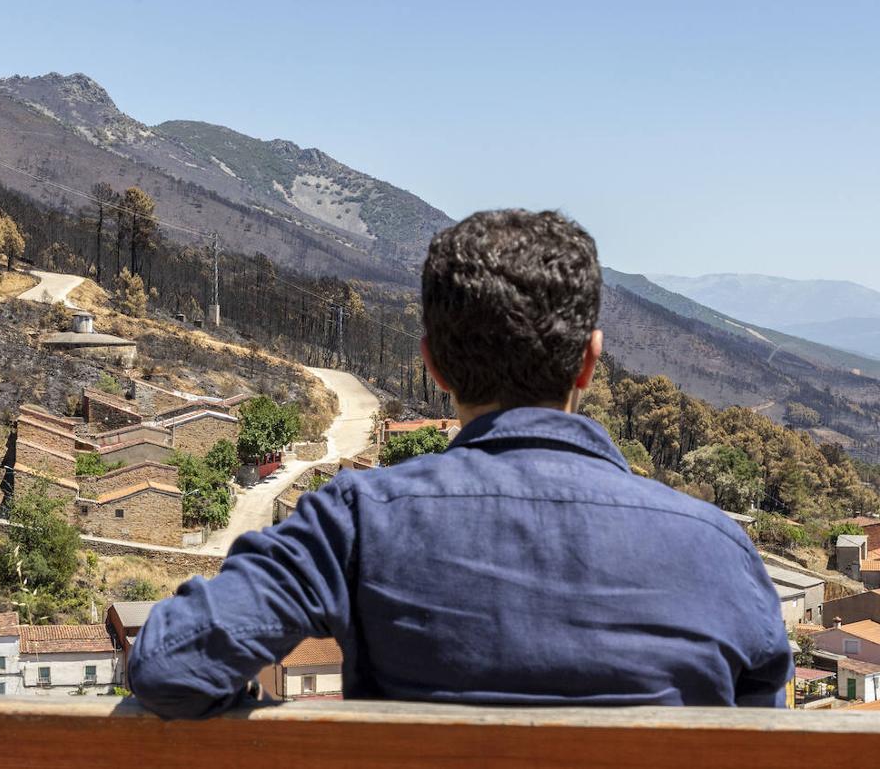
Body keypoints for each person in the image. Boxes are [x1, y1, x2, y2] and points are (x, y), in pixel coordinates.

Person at [128, 209, 792, 719]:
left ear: (434, 365)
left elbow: (169, 665)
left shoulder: (357, 521)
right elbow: (769, 739)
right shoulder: (717, 547)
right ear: (591, 360)